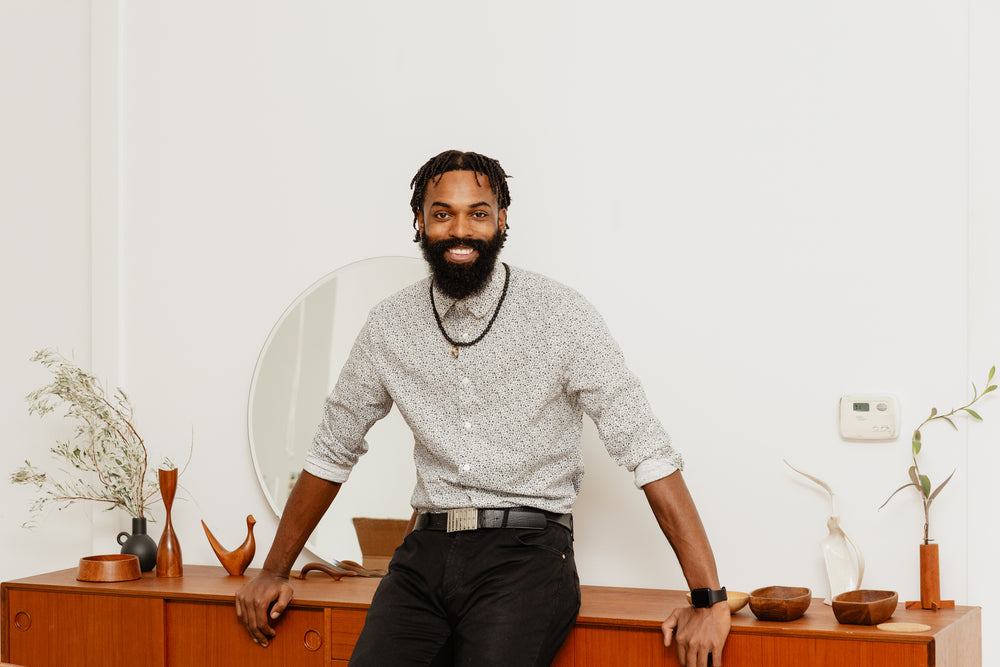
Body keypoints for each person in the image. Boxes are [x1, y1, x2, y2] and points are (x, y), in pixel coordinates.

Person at [235, 150, 731, 667]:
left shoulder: (562, 316)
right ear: (420, 223)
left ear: (502, 221)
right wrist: (272, 571)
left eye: (478, 212)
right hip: (422, 558)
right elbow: (332, 449)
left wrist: (709, 599)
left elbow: (646, 450)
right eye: (443, 213)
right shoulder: (389, 326)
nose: (460, 230)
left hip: (528, 556)